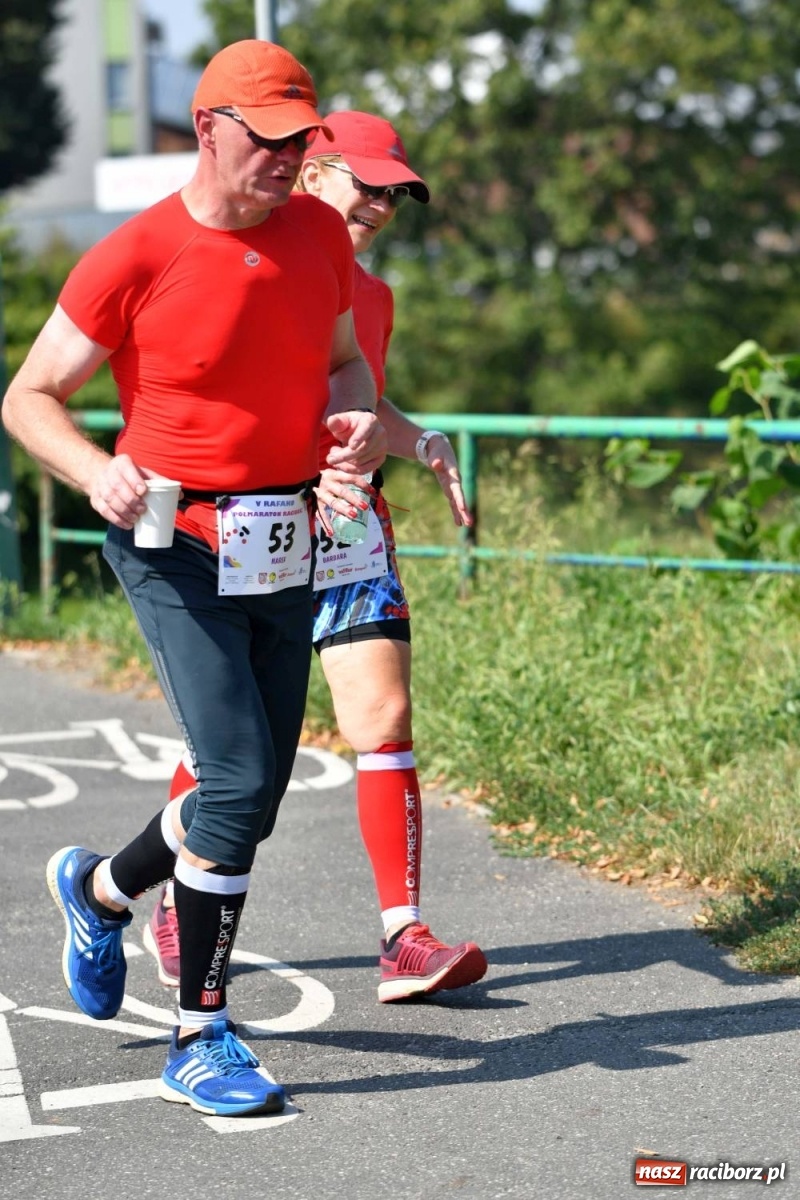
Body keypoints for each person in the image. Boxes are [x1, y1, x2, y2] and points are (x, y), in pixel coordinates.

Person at [1, 41, 386, 1119]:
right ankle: (200, 1033)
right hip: (172, 542)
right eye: (266, 138)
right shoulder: (133, 254)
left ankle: (98, 888)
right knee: (229, 780)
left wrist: (351, 415)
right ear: (209, 127)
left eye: (300, 138)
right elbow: (29, 396)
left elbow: (345, 361)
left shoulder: (316, 233)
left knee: (251, 799)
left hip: (284, 538)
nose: (288, 158)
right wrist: (93, 469)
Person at [144, 111, 488, 1004]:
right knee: (239, 743)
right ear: (309, 171)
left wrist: (422, 444)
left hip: (350, 527)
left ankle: (403, 937)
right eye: (363, 182)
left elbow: (360, 399)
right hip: (257, 523)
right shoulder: (234, 261)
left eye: (393, 193)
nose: (379, 203)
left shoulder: (370, 295)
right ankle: (173, 904)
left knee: (385, 715)